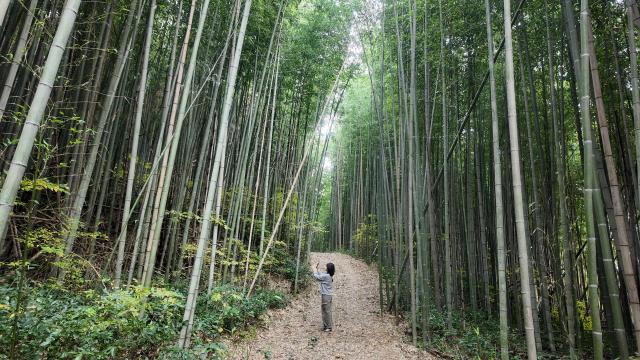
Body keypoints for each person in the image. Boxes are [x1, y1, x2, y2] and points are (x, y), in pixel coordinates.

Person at [313, 262, 335, 332]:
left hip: (326, 295)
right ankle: (326, 326)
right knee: (325, 310)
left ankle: (328, 327)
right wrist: (317, 269)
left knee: (327, 311)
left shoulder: (327, 276)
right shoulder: (328, 275)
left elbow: (317, 277)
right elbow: (321, 275)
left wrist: (314, 270)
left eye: (326, 267)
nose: (325, 268)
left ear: (328, 269)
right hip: (327, 295)